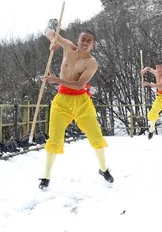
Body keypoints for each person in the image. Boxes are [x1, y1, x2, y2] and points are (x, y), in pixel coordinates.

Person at [39, 29, 113, 190]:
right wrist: (53, 41)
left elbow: (80, 84)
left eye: (89, 41)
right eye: (83, 39)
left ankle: (104, 169)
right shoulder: (69, 48)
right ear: (78, 40)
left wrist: (55, 80)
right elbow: (50, 31)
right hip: (62, 101)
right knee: (55, 139)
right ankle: (45, 177)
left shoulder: (92, 63)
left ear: (93, 45)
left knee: (96, 136)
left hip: (82, 101)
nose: (85, 43)